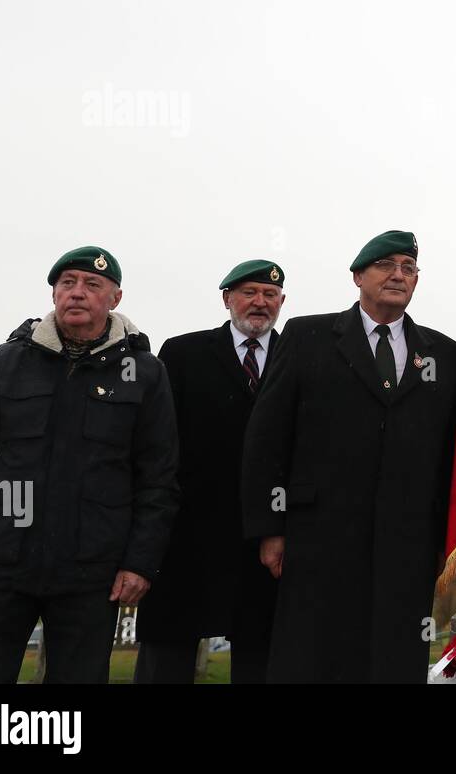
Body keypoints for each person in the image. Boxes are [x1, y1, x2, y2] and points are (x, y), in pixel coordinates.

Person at [0, 246, 179, 683]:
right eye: (68, 283)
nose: (77, 293)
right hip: (0, 563)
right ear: (53, 293)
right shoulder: (7, 361)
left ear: (115, 298)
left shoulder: (143, 372)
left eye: (92, 284)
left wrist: (140, 563)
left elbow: (158, 480)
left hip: (92, 572)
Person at [241, 231, 456, 682]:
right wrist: (269, 529)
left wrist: (443, 539)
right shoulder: (308, 336)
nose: (398, 275)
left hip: (406, 543)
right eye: (386, 265)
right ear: (358, 276)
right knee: (314, 658)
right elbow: (267, 438)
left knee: (393, 659)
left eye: (408, 267)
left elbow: (452, 452)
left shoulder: (444, 354)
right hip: (318, 538)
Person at [134, 260, 286, 684]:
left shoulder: (300, 355)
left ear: (282, 302)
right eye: (248, 293)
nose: (259, 302)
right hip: (188, 535)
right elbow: (158, 444)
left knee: (262, 656)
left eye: (269, 295)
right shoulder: (183, 353)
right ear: (227, 300)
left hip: (265, 537)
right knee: (167, 654)